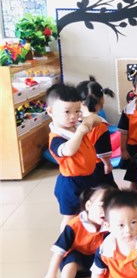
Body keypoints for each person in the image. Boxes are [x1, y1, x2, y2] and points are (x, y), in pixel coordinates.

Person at [40, 185, 112, 278]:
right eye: (102, 205)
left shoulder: (109, 225)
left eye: (110, 207)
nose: (105, 211)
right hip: (78, 262)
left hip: (97, 262)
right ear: (88, 206)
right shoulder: (74, 225)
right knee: (72, 259)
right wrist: (50, 275)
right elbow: (59, 251)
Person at [46, 83, 102, 229]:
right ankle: (65, 240)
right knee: (70, 217)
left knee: (88, 211)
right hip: (70, 184)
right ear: (51, 111)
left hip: (88, 177)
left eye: (77, 111)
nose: (73, 116)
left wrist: (87, 121)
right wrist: (81, 131)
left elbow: (98, 120)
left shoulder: (76, 125)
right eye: (67, 112)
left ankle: (84, 236)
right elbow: (69, 150)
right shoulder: (56, 137)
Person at [76, 76, 117, 188]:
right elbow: (102, 150)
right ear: (102, 100)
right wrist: (107, 164)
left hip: (80, 164)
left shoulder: (73, 122)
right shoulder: (100, 125)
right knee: (108, 191)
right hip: (97, 165)